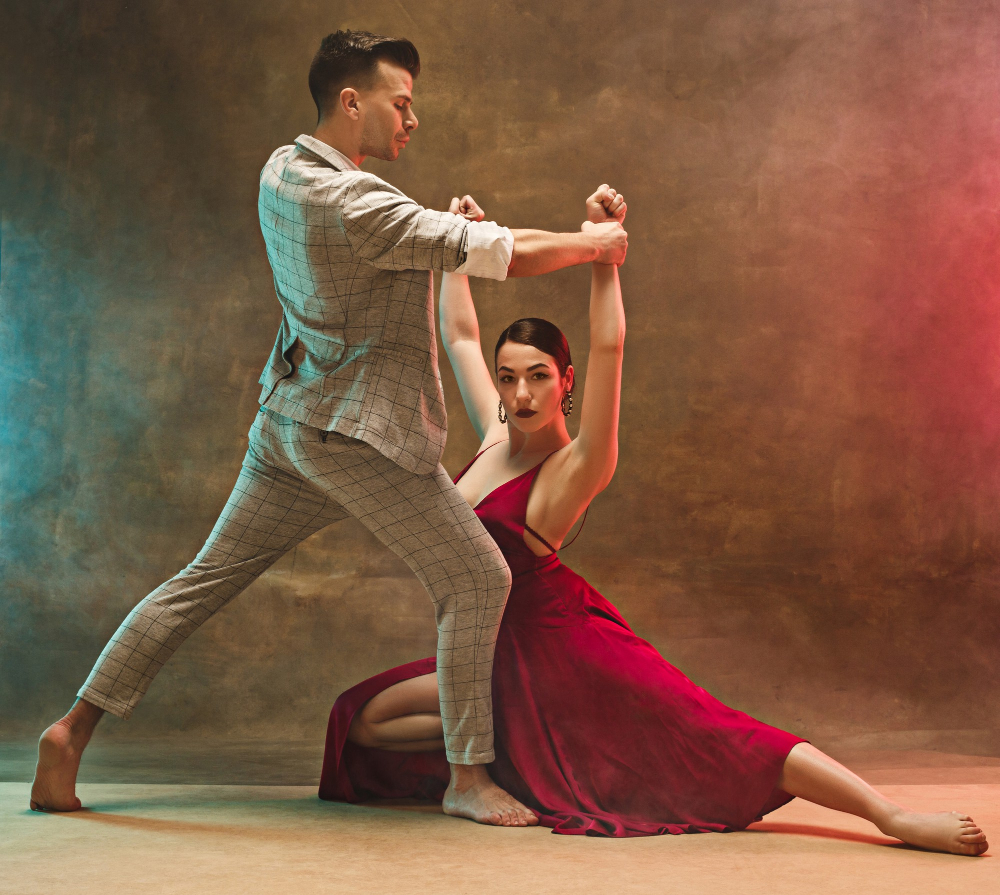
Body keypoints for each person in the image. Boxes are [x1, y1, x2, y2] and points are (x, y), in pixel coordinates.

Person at [28, 29, 628, 826]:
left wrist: (444, 233)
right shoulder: (361, 203)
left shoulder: (282, 170)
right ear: (352, 102)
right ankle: (467, 777)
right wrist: (596, 245)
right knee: (479, 577)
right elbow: (504, 254)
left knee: (203, 578)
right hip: (359, 438)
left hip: (288, 422)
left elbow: (407, 245)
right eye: (400, 103)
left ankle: (71, 732)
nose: (412, 118)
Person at [317, 188, 989, 855]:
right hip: (492, 656)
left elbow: (609, 347)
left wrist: (602, 254)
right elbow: (460, 335)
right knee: (362, 721)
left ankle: (890, 814)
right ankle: (511, 748)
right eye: (509, 377)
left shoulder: (575, 466)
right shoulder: (496, 432)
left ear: (566, 381)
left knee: (719, 733)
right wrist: (456, 248)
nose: (521, 393)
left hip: (565, 650)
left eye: (539, 376)